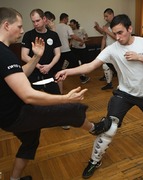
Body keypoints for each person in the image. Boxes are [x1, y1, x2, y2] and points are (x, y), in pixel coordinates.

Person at [55, 14, 143, 179]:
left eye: (121, 32)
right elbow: (90, 66)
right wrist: (67, 71)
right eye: (115, 33)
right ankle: (95, 160)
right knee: (110, 127)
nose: (118, 37)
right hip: (124, 94)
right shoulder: (113, 48)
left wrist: (140, 57)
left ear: (130, 29)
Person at [0, 7, 112, 180]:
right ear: (6, 25)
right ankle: (95, 128)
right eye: (19, 26)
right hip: (16, 115)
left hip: (7, 116)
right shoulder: (4, 54)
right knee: (70, 109)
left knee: (31, 140)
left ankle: (14, 179)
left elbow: (19, 74)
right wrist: (65, 98)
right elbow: (28, 95)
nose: (22, 30)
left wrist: (36, 57)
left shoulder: (4, 52)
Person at [21, 9, 61, 95]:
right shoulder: (28, 35)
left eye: (37, 20)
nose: (35, 24)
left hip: (50, 73)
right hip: (33, 74)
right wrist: (39, 66)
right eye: (33, 22)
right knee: (32, 102)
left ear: (44, 19)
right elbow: (24, 55)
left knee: (57, 99)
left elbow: (57, 54)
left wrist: (49, 66)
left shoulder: (53, 35)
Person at [94, 8, 117, 90]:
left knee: (118, 67)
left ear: (112, 14)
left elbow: (118, 38)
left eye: (106, 16)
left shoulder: (117, 24)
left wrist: (107, 31)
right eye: (104, 17)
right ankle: (109, 83)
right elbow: (104, 37)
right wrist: (102, 50)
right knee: (105, 65)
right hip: (109, 49)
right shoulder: (107, 25)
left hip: (117, 50)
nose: (105, 18)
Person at [69, 19, 90, 84]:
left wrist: (82, 42)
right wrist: (69, 45)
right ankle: (81, 75)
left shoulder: (81, 29)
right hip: (74, 48)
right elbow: (72, 38)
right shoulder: (71, 30)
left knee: (81, 62)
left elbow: (86, 37)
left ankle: (83, 76)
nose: (71, 26)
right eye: (70, 25)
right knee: (76, 62)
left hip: (82, 48)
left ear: (75, 24)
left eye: (72, 25)